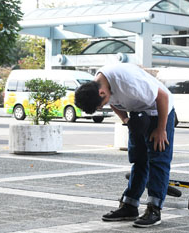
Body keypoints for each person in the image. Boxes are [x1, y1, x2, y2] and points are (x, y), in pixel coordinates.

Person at [74, 63, 174, 228]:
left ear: (102, 92)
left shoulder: (129, 81)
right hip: (138, 113)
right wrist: (126, 120)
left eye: (102, 103)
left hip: (159, 110)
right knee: (138, 158)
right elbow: (112, 102)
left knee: (158, 158)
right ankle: (130, 205)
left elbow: (162, 96)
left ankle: (154, 209)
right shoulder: (96, 86)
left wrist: (161, 129)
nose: (104, 105)